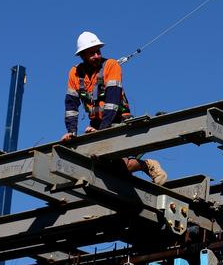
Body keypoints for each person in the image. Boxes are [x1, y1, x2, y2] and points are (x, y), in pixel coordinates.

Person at [62, 31, 168, 186]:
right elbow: (71, 105)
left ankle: (149, 166)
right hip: (97, 125)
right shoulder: (75, 73)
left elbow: (112, 103)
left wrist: (102, 132)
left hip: (120, 122)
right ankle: (142, 168)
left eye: (98, 51)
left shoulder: (111, 66)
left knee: (118, 165)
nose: (97, 56)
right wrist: (71, 132)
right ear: (83, 55)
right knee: (107, 167)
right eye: (92, 53)